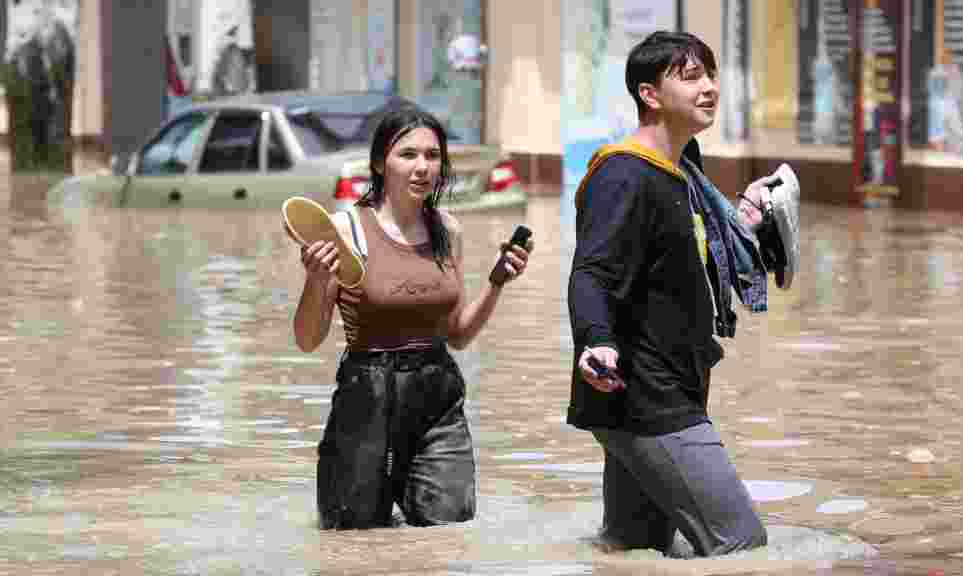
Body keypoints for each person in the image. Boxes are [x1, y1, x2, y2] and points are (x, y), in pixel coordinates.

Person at [567, 30, 798, 558]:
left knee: (633, 550)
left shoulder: (680, 171)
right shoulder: (624, 174)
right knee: (741, 545)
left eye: (712, 75)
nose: (710, 87)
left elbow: (693, 257)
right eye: (691, 76)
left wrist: (747, 217)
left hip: (667, 385)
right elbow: (591, 273)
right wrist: (595, 340)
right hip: (646, 393)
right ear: (650, 95)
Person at [295, 104, 533, 529]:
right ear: (378, 163)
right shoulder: (345, 228)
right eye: (408, 154)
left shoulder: (449, 229)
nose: (422, 166)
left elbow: (457, 335)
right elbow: (308, 338)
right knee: (354, 539)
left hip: (437, 398)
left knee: (450, 530)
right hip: (367, 396)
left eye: (432, 155)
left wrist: (496, 283)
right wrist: (316, 280)